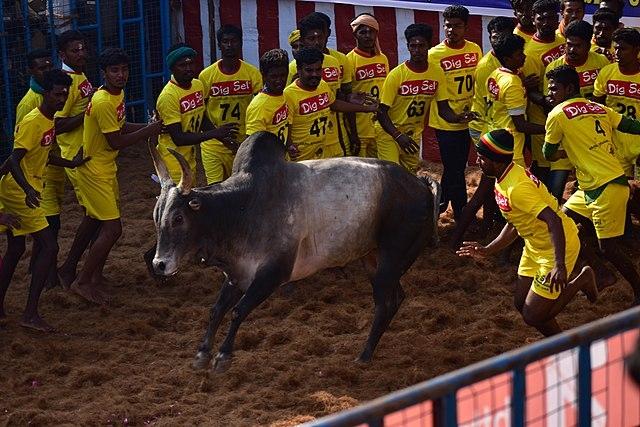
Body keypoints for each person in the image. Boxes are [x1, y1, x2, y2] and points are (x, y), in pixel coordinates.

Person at [458, 129, 597, 336]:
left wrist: (559, 265)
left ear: (496, 161)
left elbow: (554, 221)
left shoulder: (517, 188)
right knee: (521, 303)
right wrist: (487, 250)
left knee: (533, 316)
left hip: (556, 246)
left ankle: (582, 279)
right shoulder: (504, 177)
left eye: (482, 158)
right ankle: (558, 343)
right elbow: (515, 224)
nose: (478, 161)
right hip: (534, 246)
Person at [59, 48, 163, 304]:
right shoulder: (104, 100)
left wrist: (152, 128)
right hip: (94, 171)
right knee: (113, 229)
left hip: (104, 168)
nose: (121, 75)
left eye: (124, 70)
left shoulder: (116, 95)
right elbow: (116, 140)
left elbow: (121, 126)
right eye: (115, 70)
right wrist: (151, 130)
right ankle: (82, 281)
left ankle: (91, 276)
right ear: (104, 73)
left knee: (97, 223)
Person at [0, 69, 89, 331]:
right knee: (49, 247)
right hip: (22, 195)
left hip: (18, 189)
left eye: (65, 94)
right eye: (57, 94)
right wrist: (27, 189)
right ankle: (30, 314)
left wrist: (70, 162)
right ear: (45, 94)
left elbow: (42, 155)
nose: (61, 99)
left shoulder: (48, 119)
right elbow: (15, 158)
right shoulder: (33, 121)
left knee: (16, 249)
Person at [543, 65, 640, 305]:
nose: (550, 93)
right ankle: (602, 274)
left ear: (569, 88)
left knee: (608, 248)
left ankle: (637, 289)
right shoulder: (598, 107)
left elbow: (548, 153)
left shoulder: (557, 114)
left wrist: (565, 151)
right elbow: (629, 125)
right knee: (564, 225)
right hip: (591, 186)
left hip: (606, 187)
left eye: (554, 88)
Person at [450, 16, 515, 249]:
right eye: (495, 36)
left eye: (503, 36)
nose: (498, 40)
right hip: (489, 130)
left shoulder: (499, 64)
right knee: (485, 189)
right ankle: (459, 236)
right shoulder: (490, 66)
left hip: (492, 129)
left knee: (490, 188)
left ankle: (488, 224)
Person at [376, 23, 474, 174]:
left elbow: (444, 109)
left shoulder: (437, 73)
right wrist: (398, 136)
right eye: (413, 46)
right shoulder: (396, 75)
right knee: (392, 175)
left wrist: (457, 118)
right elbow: (381, 112)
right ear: (408, 47)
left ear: (429, 46)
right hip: (390, 133)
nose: (417, 50)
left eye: (421, 46)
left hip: (413, 135)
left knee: (410, 176)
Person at [543, 20, 609, 201]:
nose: (571, 50)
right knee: (555, 190)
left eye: (577, 46)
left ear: (589, 44)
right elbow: (549, 101)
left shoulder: (601, 62)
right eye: (568, 45)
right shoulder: (553, 68)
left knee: (592, 187)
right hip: (565, 138)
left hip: (593, 138)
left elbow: (604, 99)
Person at [429, 5, 483, 220]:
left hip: (468, 118)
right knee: (455, 167)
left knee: (456, 167)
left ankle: (440, 204)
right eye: (448, 26)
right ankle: (460, 211)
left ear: (466, 27)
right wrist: (452, 114)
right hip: (446, 120)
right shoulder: (435, 54)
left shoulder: (475, 49)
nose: (452, 30)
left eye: (457, 26)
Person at [156, 43, 237, 182]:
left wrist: (223, 139)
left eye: (191, 64)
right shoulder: (168, 96)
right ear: (172, 68)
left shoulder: (198, 85)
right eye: (182, 65)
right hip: (173, 161)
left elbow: (202, 118)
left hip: (189, 158)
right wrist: (213, 134)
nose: (188, 69)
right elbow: (178, 138)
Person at [284, 47, 377, 161]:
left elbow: (333, 104)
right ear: (298, 70)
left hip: (321, 156)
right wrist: (289, 145)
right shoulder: (288, 95)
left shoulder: (322, 85)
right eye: (309, 70)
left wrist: (365, 108)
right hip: (300, 160)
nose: (314, 74)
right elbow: (286, 126)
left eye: (318, 70)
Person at [198, 25, 262, 184]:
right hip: (214, 144)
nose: (229, 45)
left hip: (243, 143)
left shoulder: (252, 74)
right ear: (219, 45)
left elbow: (259, 108)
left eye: (233, 41)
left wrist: (245, 142)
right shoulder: (206, 76)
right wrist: (220, 136)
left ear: (240, 43)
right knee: (215, 189)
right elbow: (200, 112)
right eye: (225, 41)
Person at [292, 14, 353, 158]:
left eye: (320, 37)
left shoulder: (334, 62)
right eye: (311, 38)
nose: (317, 42)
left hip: (336, 135)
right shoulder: (292, 69)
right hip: (305, 142)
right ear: (302, 40)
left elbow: (337, 99)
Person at [521, 0, 566, 183]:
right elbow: (530, 91)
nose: (546, 22)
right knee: (544, 167)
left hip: (564, 113)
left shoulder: (563, 41)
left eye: (551, 18)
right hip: (541, 117)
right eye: (542, 18)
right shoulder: (530, 53)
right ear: (533, 19)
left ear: (558, 20)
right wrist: (546, 101)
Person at [486, 34, 546, 168]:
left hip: (495, 133)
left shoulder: (495, 74)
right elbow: (520, 125)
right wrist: (549, 129)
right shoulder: (512, 83)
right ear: (507, 59)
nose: (524, 57)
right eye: (519, 54)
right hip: (511, 144)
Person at [593, 28, 640, 180]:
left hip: (638, 142)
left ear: (636, 50)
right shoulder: (606, 72)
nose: (617, 53)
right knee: (622, 192)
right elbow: (597, 108)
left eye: (623, 49)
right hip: (615, 144)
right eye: (616, 47)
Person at [54, 30, 94, 204]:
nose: (81, 54)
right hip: (75, 155)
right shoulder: (66, 83)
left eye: (83, 49)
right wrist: (89, 110)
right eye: (75, 51)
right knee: (92, 211)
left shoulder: (79, 74)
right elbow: (58, 125)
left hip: (86, 151)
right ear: (62, 55)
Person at [346, 13, 389, 158]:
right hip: (360, 128)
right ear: (355, 35)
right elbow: (347, 98)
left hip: (380, 125)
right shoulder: (349, 60)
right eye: (362, 32)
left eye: (371, 31)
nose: (367, 35)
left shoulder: (382, 58)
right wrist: (353, 133)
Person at [245, 49, 292, 149]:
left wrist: (288, 147)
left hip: (281, 159)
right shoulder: (259, 106)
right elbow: (253, 145)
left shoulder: (285, 95)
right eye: (274, 76)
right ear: (264, 76)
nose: (279, 81)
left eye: (283, 75)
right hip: (268, 162)